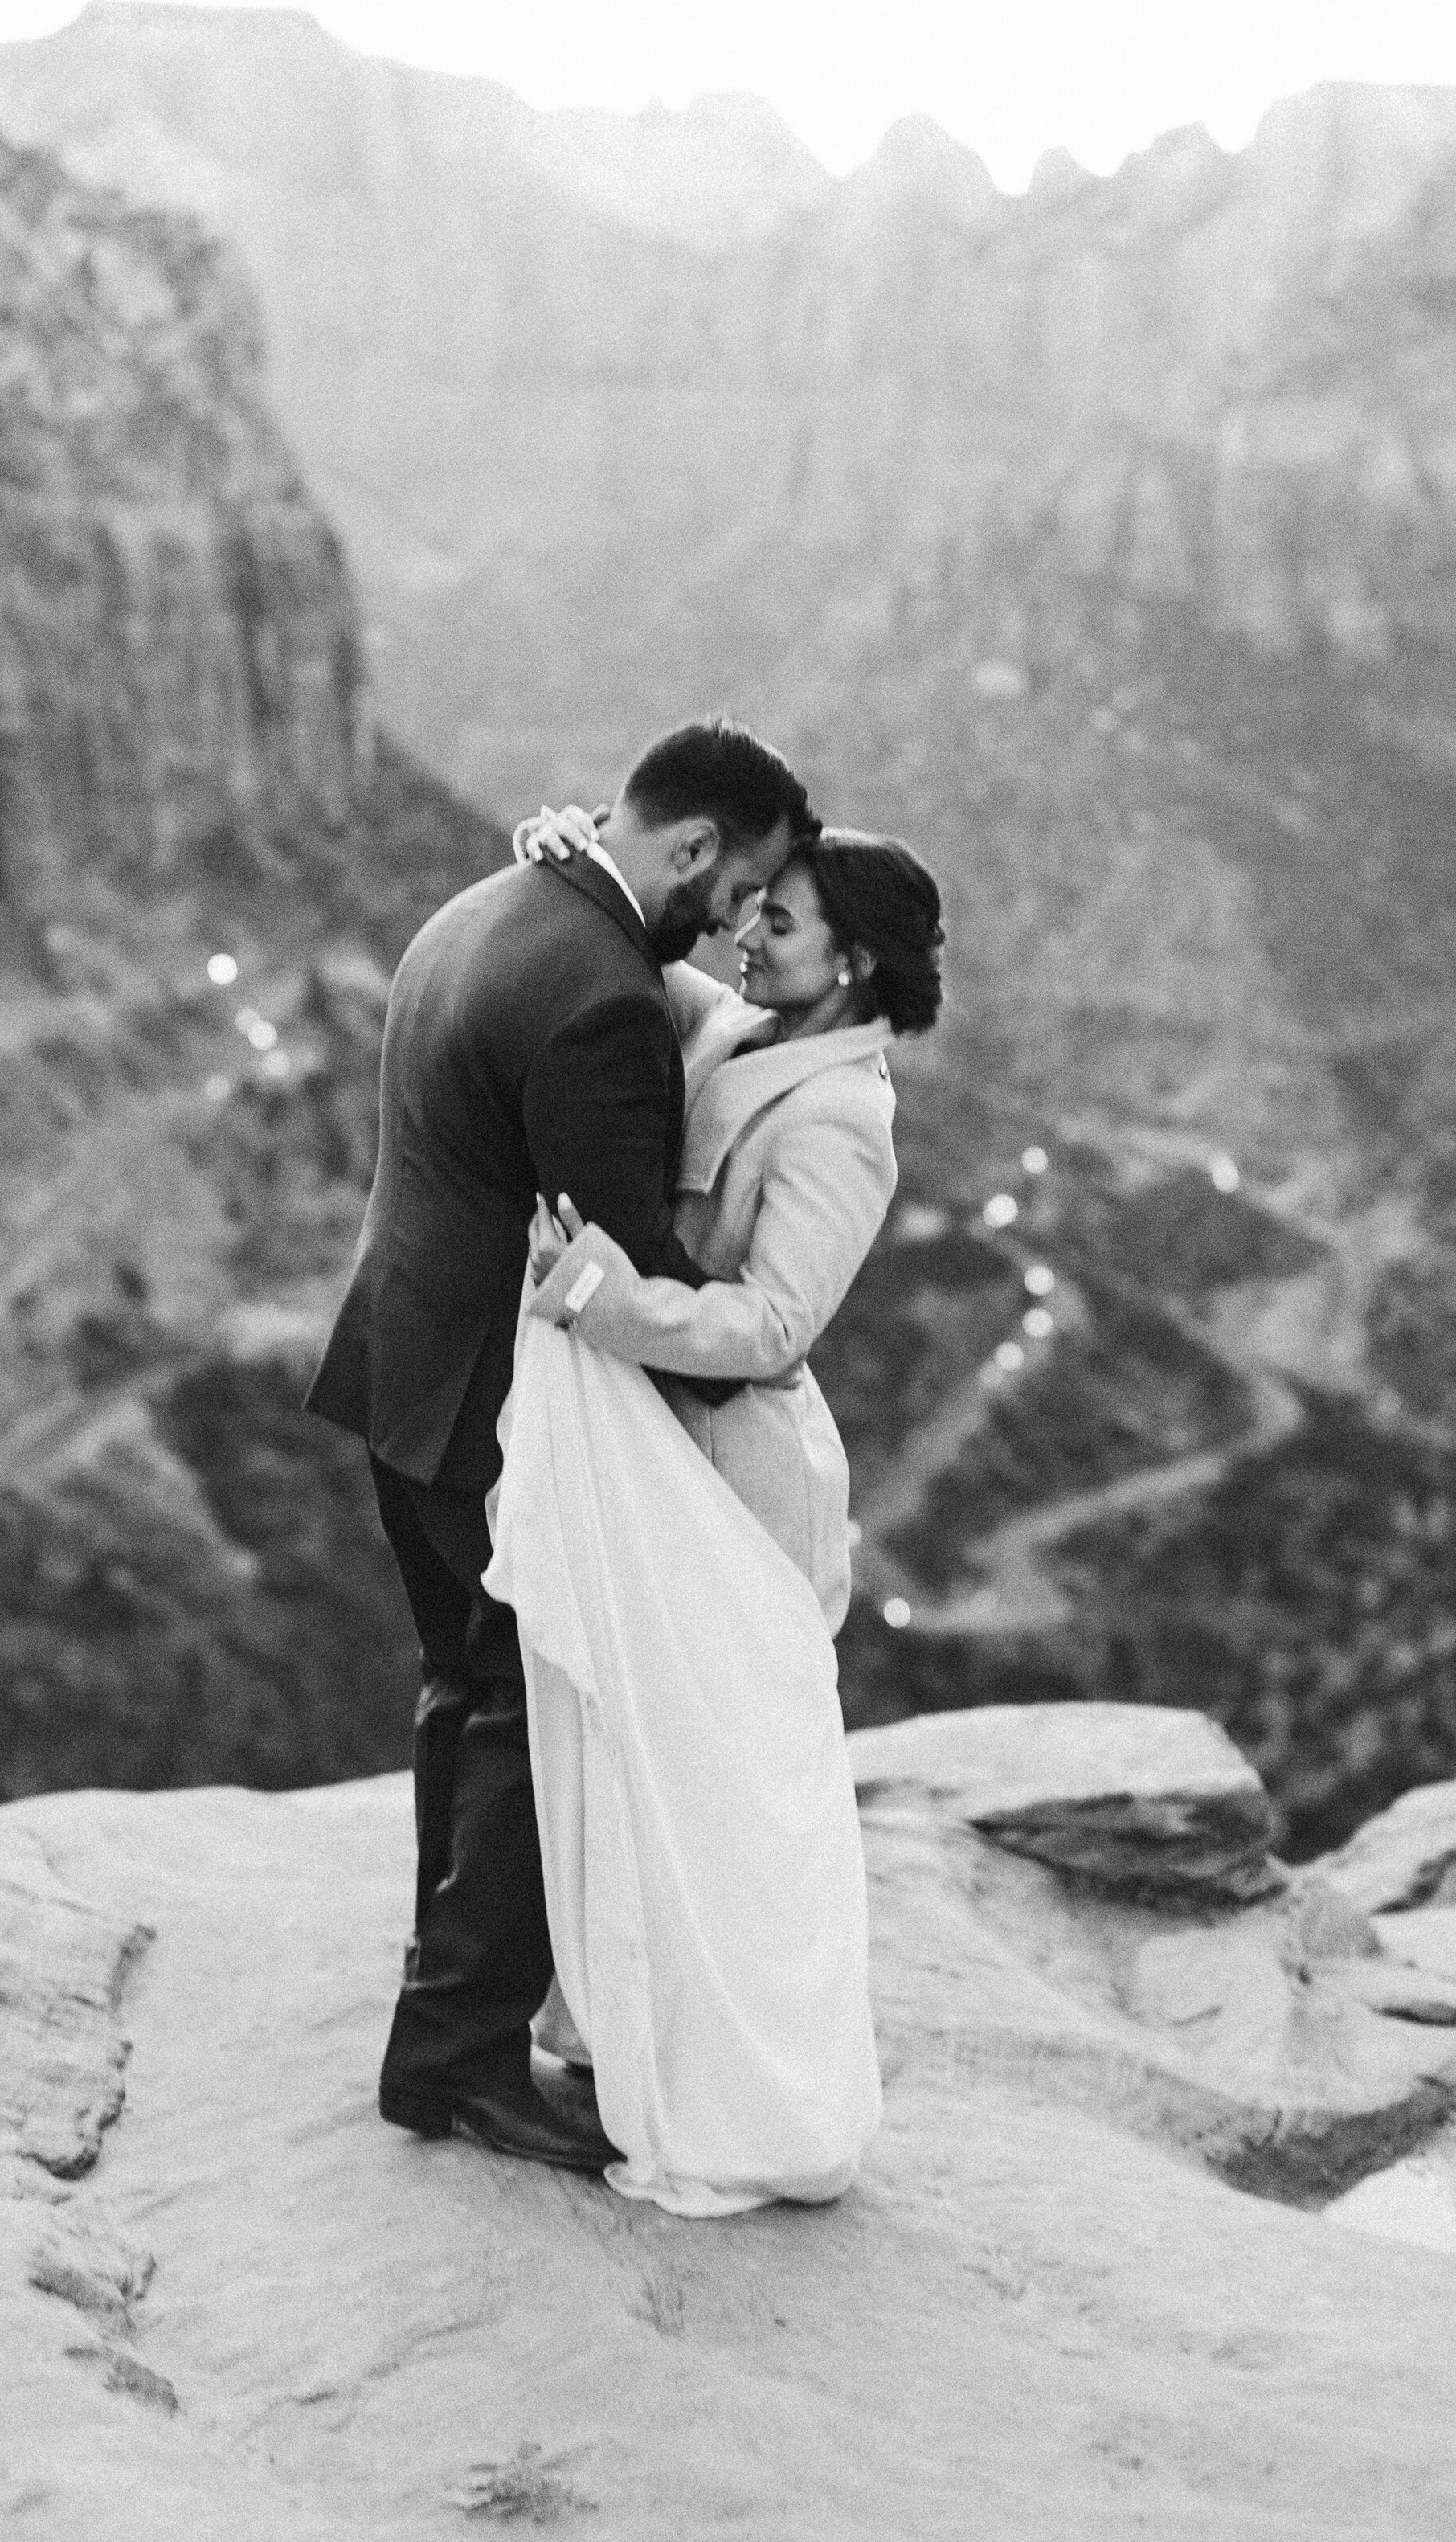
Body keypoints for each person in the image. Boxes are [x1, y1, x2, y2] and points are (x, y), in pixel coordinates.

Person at [306, 718, 818, 2173]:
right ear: (697, 847)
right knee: (534, 1718)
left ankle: (446, 1995)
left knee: (462, 1690)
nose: (733, 929)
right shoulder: (598, 994)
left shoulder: (489, 903)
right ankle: (457, 2054)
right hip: (487, 1411)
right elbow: (633, 1261)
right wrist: (756, 1356)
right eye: (739, 890)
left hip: (396, 1369)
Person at [487, 811, 945, 2213]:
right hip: (663, 1454)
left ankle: (743, 2089)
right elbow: (645, 962)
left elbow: (774, 1321)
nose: (749, 935)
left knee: (727, 1794)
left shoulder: (844, 1117)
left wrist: (606, 1302)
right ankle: (625, 2036)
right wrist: (576, 852)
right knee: (657, 1769)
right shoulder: (750, 1029)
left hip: (741, 1487)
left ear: (854, 962)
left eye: (783, 923)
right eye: (756, 911)